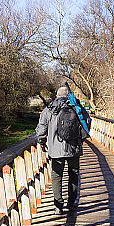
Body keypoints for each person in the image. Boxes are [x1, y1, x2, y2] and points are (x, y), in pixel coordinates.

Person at [36, 85, 91, 215]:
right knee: (74, 174)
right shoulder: (76, 107)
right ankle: (71, 203)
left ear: (57, 96)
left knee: (57, 176)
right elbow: (87, 121)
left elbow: (41, 128)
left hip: (56, 148)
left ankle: (58, 206)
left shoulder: (49, 109)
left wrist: (42, 142)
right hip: (74, 147)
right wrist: (81, 139)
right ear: (68, 95)